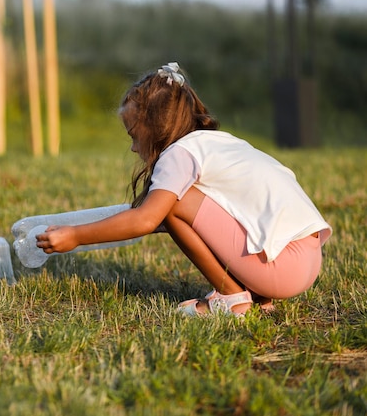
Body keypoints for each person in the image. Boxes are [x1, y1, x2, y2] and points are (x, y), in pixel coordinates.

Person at [35, 62, 332, 317]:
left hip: (281, 268)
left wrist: (75, 236)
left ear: (155, 128)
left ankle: (232, 299)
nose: (133, 147)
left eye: (134, 136)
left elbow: (145, 220)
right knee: (170, 206)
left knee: (174, 204)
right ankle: (255, 294)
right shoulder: (214, 143)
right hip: (307, 259)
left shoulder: (178, 155)